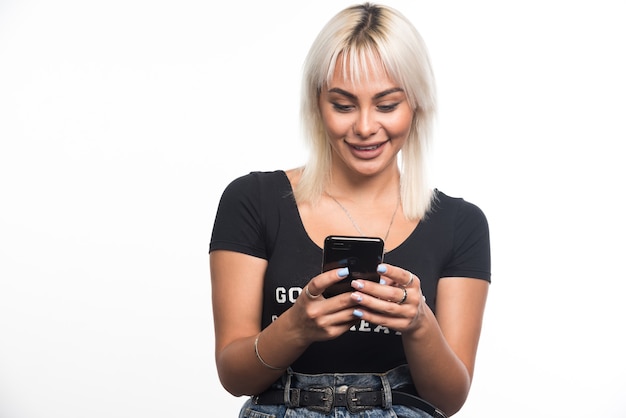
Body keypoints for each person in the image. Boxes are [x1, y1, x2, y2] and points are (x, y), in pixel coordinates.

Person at [209, 3, 490, 417]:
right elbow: (234, 376)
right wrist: (297, 326)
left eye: (387, 104)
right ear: (318, 105)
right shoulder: (253, 200)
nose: (363, 126)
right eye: (343, 105)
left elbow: (448, 401)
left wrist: (418, 323)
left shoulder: (460, 224)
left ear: (417, 104)